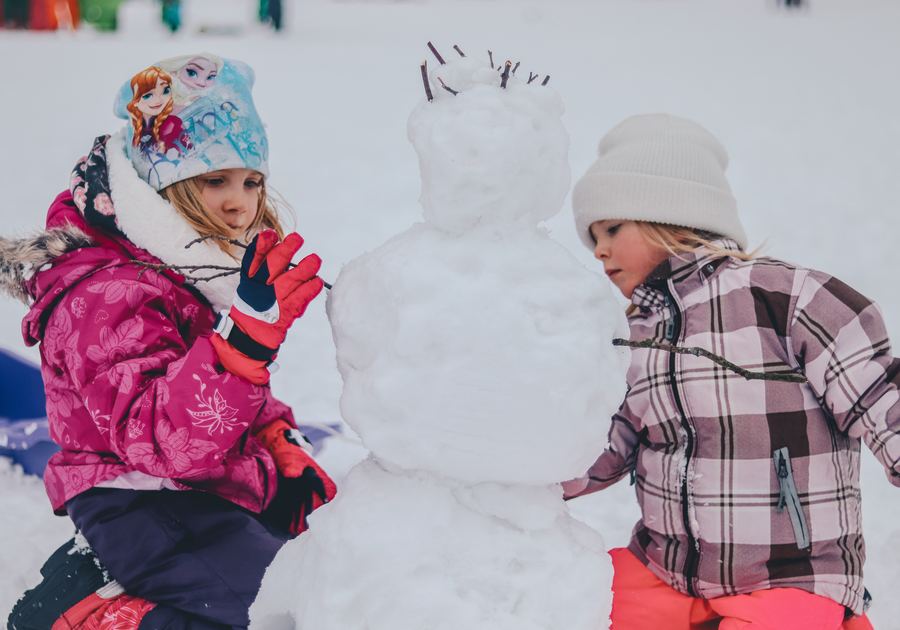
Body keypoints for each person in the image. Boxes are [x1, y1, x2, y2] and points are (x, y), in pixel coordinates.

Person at [3, 53, 336, 629]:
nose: (240, 202)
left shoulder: (190, 266)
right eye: (215, 180)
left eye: (251, 181)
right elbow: (157, 443)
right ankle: (94, 614)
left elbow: (225, 390)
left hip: (213, 483)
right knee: (280, 615)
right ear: (165, 185)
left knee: (330, 571)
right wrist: (243, 348)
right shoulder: (106, 295)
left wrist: (276, 436)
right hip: (142, 501)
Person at [565, 113, 896, 630]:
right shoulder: (629, 336)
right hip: (665, 570)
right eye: (592, 238)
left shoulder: (782, 297)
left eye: (611, 228)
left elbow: (875, 389)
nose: (599, 250)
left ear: (667, 215)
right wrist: (515, 469)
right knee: (567, 598)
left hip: (791, 573)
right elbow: (604, 445)